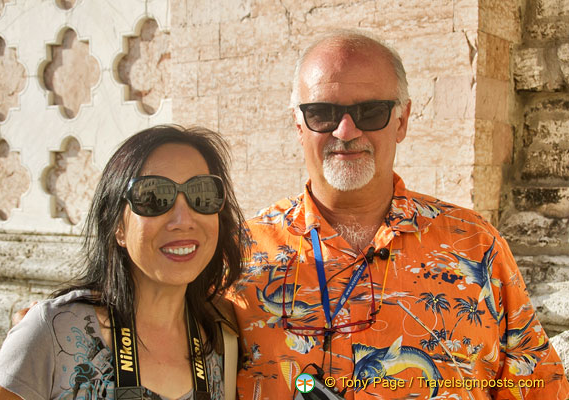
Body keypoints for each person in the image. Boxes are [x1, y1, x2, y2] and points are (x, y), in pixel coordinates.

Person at [230, 30, 569, 399]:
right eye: (322, 113)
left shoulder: (476, 246)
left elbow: (541, 388)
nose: (346, 130)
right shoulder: (240, 254)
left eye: (370, 112)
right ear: (299, 124)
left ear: (402, 120)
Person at [0, 125, 247, 400]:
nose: (183, 220)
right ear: (117, 225)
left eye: (201, 195)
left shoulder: (223, 341)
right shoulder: (54, 331)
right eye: (154, 197)